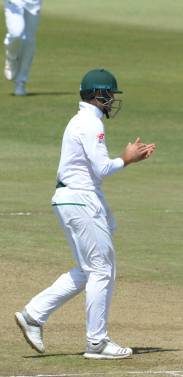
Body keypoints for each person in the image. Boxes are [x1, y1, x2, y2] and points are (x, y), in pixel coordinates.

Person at [14, 68, 156, 359]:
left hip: (75, 200)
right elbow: (102, 168)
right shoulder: (91, 123)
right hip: (79, 201)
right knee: (102, 270)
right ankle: (97, 342)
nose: (112, 100)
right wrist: (127, 159)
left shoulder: (83, 121)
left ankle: (34, 314)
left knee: (89, 270)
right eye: (110, 95)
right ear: (98, 95)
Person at [4, 0, 41, 96]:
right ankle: (11, 58)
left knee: (29, 41)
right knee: (16, 33)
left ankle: (20, 83)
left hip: (33, 3)